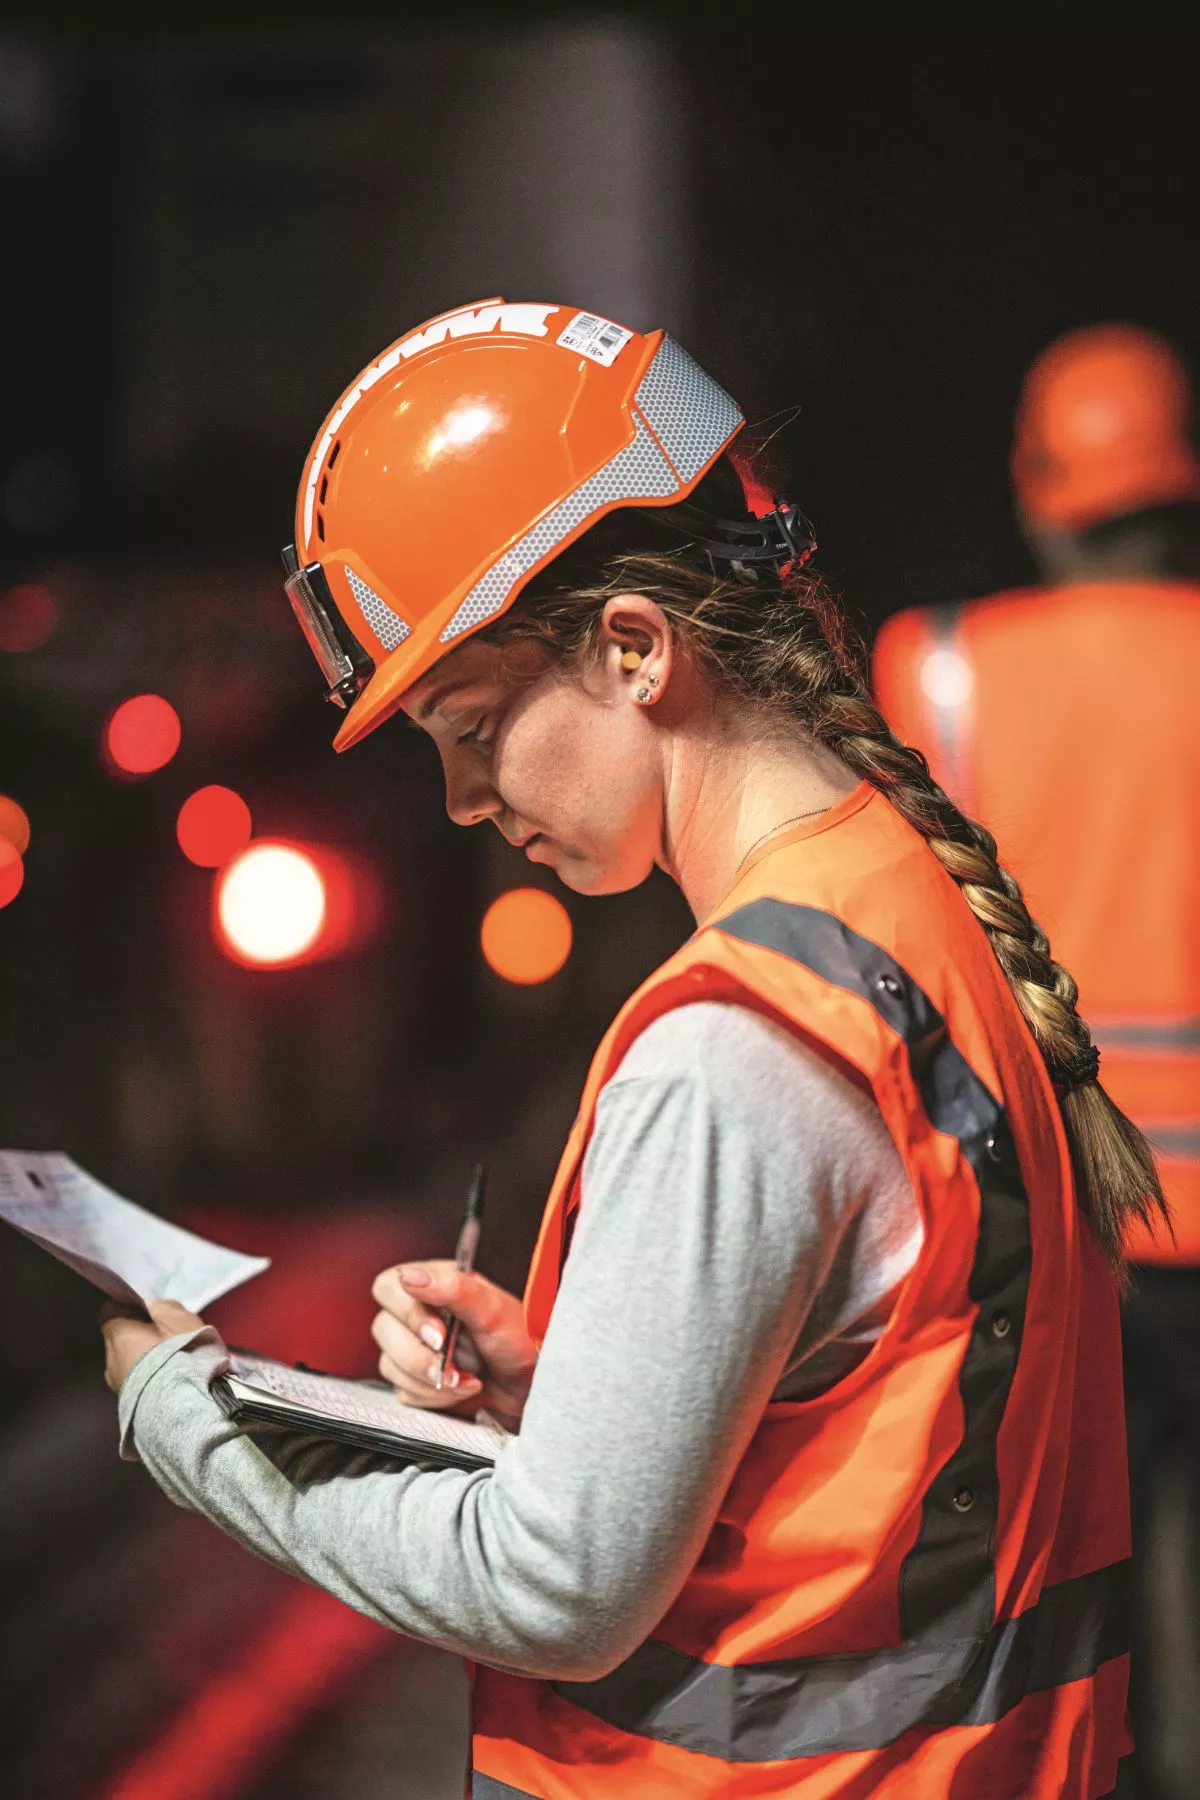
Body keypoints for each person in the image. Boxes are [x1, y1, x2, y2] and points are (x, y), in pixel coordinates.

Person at [102, 299, 1162, 1799]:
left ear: (632, 649)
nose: (466, 801)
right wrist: (586, 1393)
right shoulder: (900, 903)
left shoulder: (736, 1048)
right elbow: (885, 1424)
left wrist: (185, 1420)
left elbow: (556, 1592)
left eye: (473, 726)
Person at [872, 323, 1200, 1796]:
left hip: (1054, 1224)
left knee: (1073, 1598)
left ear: (1037, 488)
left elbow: (895, 958)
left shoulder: (939, 673)